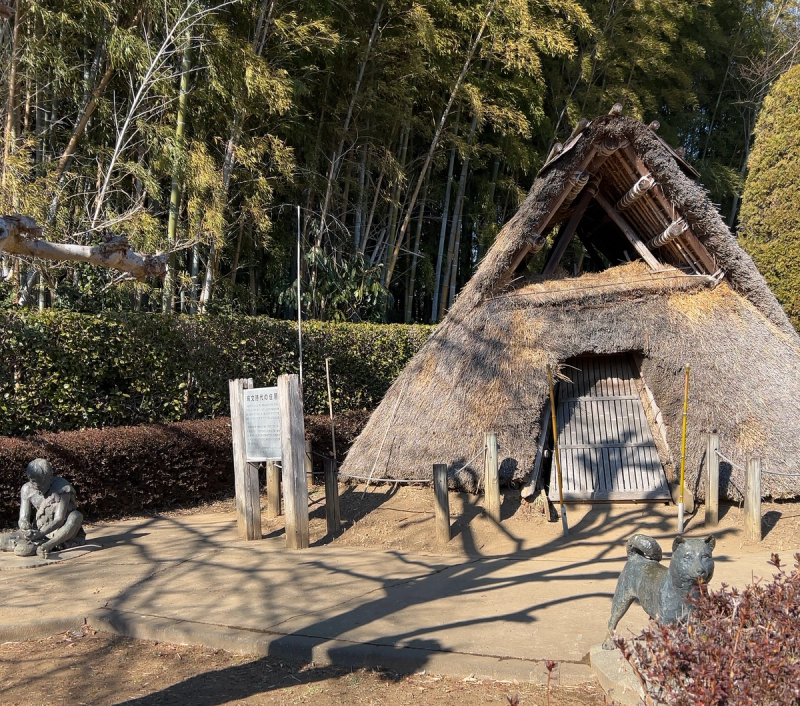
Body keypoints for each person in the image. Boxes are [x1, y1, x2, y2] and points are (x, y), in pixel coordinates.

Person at [0, 459, 85, 558]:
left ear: (49, 477)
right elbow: (23, 517)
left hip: (60, 530)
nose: (36, 485)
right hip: (38, 529)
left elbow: (59, 520)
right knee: (2, 540)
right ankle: (35, 545)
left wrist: (41, 534)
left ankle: (48, 545)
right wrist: (24, 525)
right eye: (32, 482)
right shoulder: (27, 489)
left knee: (76, 516)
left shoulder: (62, 488)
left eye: (40, 482)